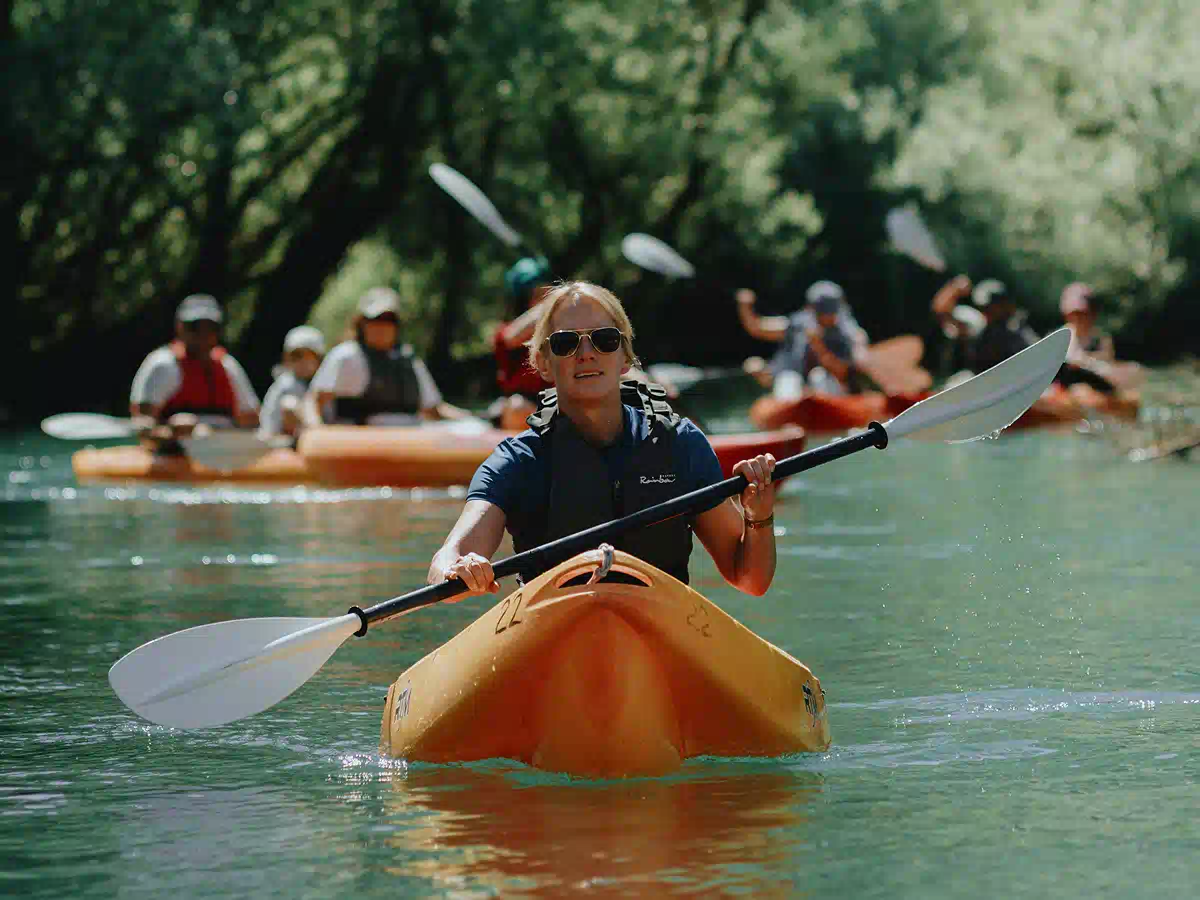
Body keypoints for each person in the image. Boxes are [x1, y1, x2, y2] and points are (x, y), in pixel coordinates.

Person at [427, 281, 778, 598]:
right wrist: (456, 569)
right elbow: (447, 560)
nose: (586, 353)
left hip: (655, 630)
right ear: (543, 363)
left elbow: (749, 579)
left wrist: (758, 518)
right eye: (566, 343)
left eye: (604, 340)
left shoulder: (682, 446)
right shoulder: (517, 461)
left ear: (625, 358)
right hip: (555, 633)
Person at [303, 287, 469, 427]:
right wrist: (315, 430)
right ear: (362, 323)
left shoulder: (409, 359)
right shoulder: (346, 357)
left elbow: (433, 409)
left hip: (409, 443)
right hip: (358, 445)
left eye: (389, 319)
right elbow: (313, 400)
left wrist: (471, 420)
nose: (382, 326)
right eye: (376, 319)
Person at [129, 293, 260, 450]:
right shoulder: (163, 365)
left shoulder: (228, 365)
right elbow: (143, 421)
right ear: (180, 327)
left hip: (223, 449)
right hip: (175, 448)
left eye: (210, 328)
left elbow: (251, 419)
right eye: (195, 327)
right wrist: (172, 433)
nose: (203, 335)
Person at [737, 281, 869, 395]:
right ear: (811, 309)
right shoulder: (798, 325)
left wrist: (818, 346)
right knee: (787, 379)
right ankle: (789, 410)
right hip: (799, 386)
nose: (827, 316)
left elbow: (843, 372)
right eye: (822, 311)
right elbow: (756, 328)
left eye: (830, 311)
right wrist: (745, 307)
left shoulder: (851, 334)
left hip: (835, 387)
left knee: (819, 377)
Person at [488, 257, 555, 429]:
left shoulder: (558, 329)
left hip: (557, 403)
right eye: (538, 294)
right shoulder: (504, 332)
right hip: (522, 403)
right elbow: (512, 337)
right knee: (516, 406)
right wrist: (557, 299)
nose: (544, 299)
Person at [258, 325, 326, 440]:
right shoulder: (284, 385)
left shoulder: (324, 384)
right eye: (296, 357)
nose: (302, 363)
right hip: (284, 440)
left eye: (308, 357)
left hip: (318, 438)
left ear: (319, 359)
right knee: (290, 403)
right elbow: (268, 425)